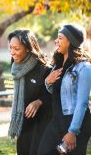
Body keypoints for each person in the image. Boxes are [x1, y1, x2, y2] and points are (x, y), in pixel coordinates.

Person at [38, 24, 91, 155]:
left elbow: (82, 103)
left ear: (71, 41)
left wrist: (72, 131)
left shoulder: (84, 68)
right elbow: (57, 94)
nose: (56, 41)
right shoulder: (58, 64)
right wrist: (47, 82)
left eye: (60, 38)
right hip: (57, 120)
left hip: (76, 123)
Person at [7, 29, 52, 155]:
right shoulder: (16, 66)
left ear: (28, 48)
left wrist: (38, 102)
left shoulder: (44, 69)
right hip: (23, 123)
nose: (12, 52)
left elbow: (53, 94)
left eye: (16, 49)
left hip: (41, 123)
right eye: (10, 48)